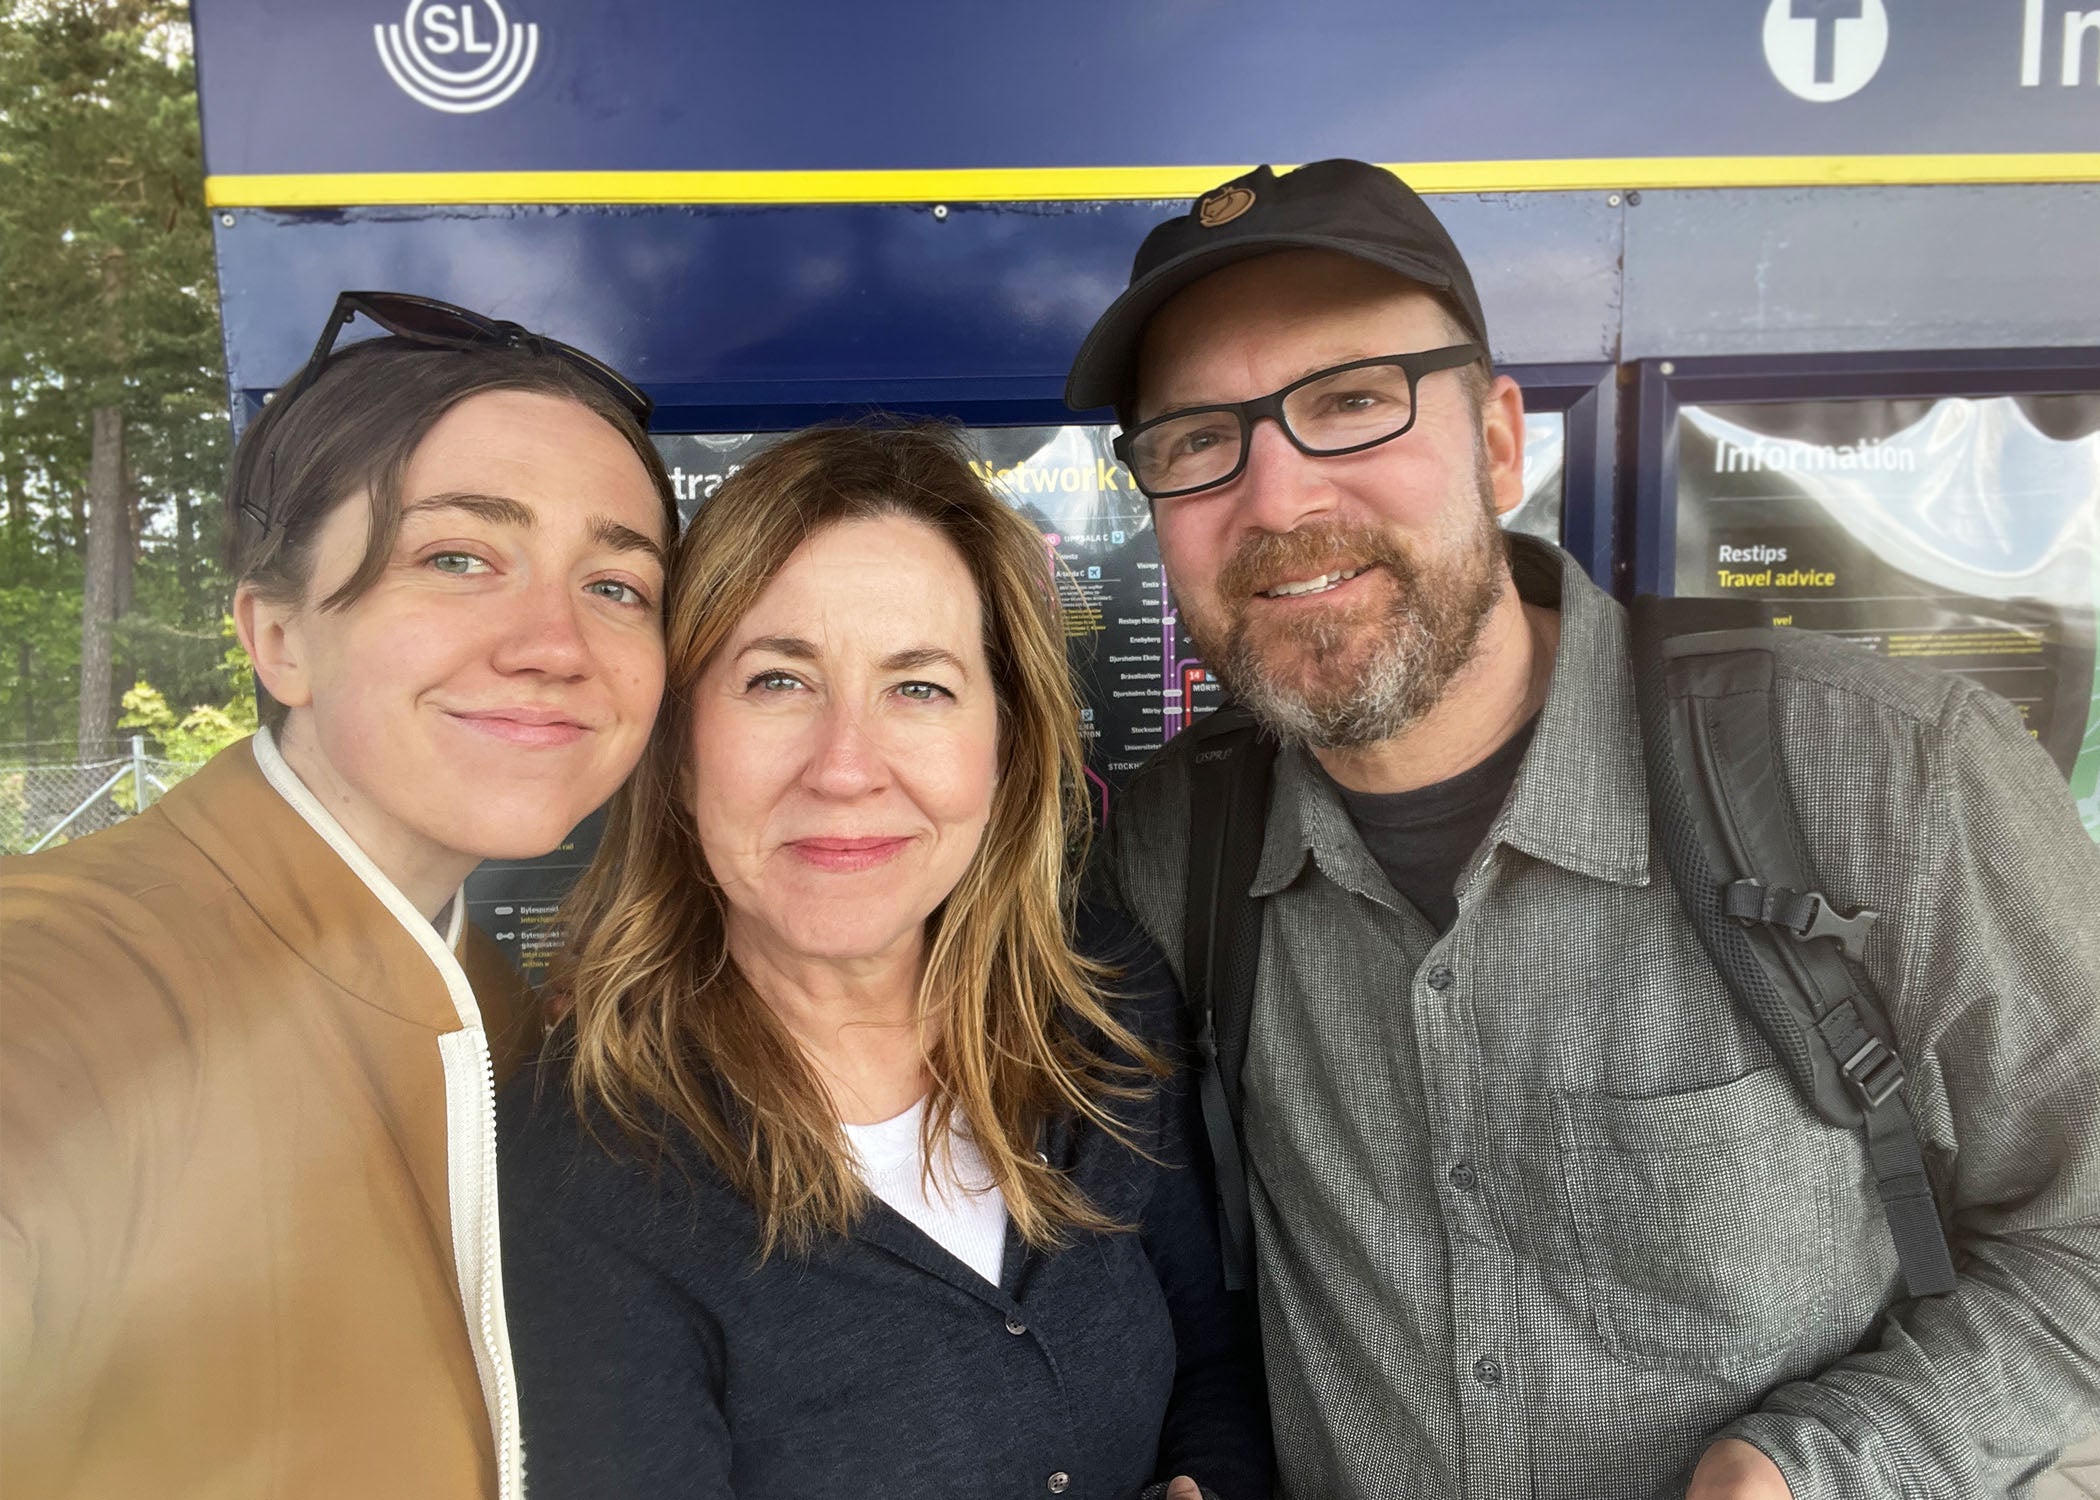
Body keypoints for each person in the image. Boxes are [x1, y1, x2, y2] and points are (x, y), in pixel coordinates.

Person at [1066, 160, 2100, 1500]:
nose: (1276, 499)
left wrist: (1813, 1470)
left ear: (1500, 440)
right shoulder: (1167, 855)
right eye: (1198, 440)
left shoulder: (1885, 776)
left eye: (1352, 403)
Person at [499, 422, 1272, 1500]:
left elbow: (1215, 1364)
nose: (847, 767)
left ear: (1006, 748)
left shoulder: (1095, 1001)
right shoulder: (586, 1159)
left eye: (919, 687)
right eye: (776, 681)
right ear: (676, 751)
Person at [0, 292, 676, 1500]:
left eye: (617, 586)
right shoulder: (79, 972)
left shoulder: (499, 1016)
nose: (555, 642)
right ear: (279, 638)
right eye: (458, 557)